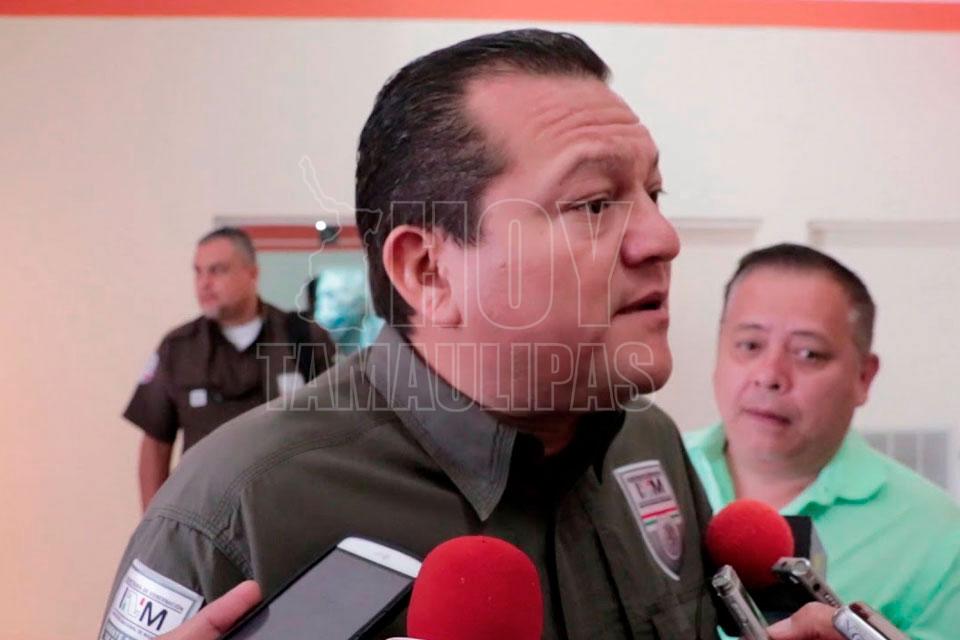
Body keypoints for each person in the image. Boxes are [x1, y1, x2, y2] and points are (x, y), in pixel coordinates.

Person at [102, 31, 842, 640]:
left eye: (653, 193)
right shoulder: (233, 514)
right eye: (593, 203)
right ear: (428, 270)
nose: (663, 238)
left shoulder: (647, 446)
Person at [685, 243, 960, 639]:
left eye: (808, 353)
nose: (769, 375)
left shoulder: (940, 537)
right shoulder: (647, 476)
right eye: (750, 345)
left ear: (863, 377)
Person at [123, 226, 335, 510]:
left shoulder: (304, 338)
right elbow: (155, 443)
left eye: (217, 270)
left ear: (252, 273)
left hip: (287, 510)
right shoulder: (179, 347)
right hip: (203, 512)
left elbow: (334, 430)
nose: (204, 283)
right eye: (198, 272)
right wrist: (154, 521)